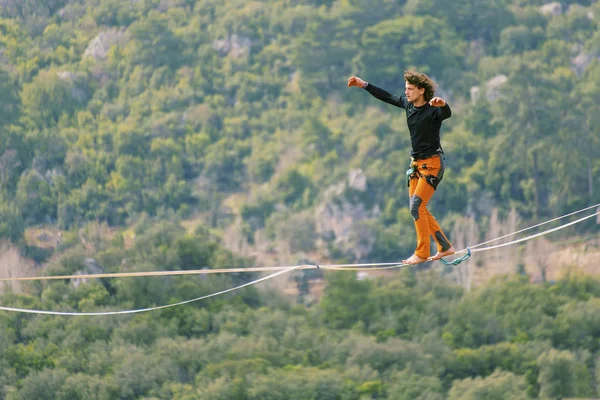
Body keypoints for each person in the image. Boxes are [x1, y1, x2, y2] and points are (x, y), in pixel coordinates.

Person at [347, 71, 455, 265]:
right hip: (415, 166)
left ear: (421, 90)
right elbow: (386, 96)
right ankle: (445, 247)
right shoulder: (408, 105)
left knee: (417, 207)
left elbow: (446, 114)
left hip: (432, 166)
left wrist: (443, 104)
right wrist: (363, 84)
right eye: (406, 89)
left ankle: (421, 252)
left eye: (410, 89)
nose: (406, 92)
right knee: (418, 209)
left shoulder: (432, 111)